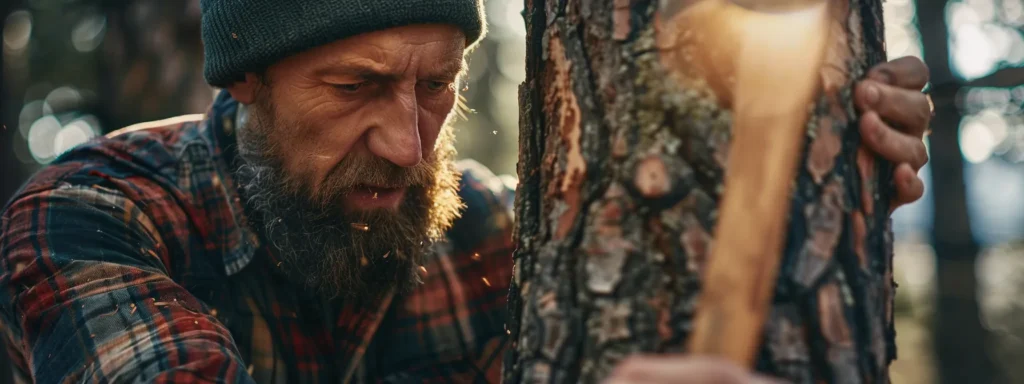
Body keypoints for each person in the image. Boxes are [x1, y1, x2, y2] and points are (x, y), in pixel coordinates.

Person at [0, 0, 933, 382]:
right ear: (245, 84)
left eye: (436, 86)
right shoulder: (93, 216)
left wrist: (824, 182)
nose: (410, 146)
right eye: (355, 87)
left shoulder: (483, 223)